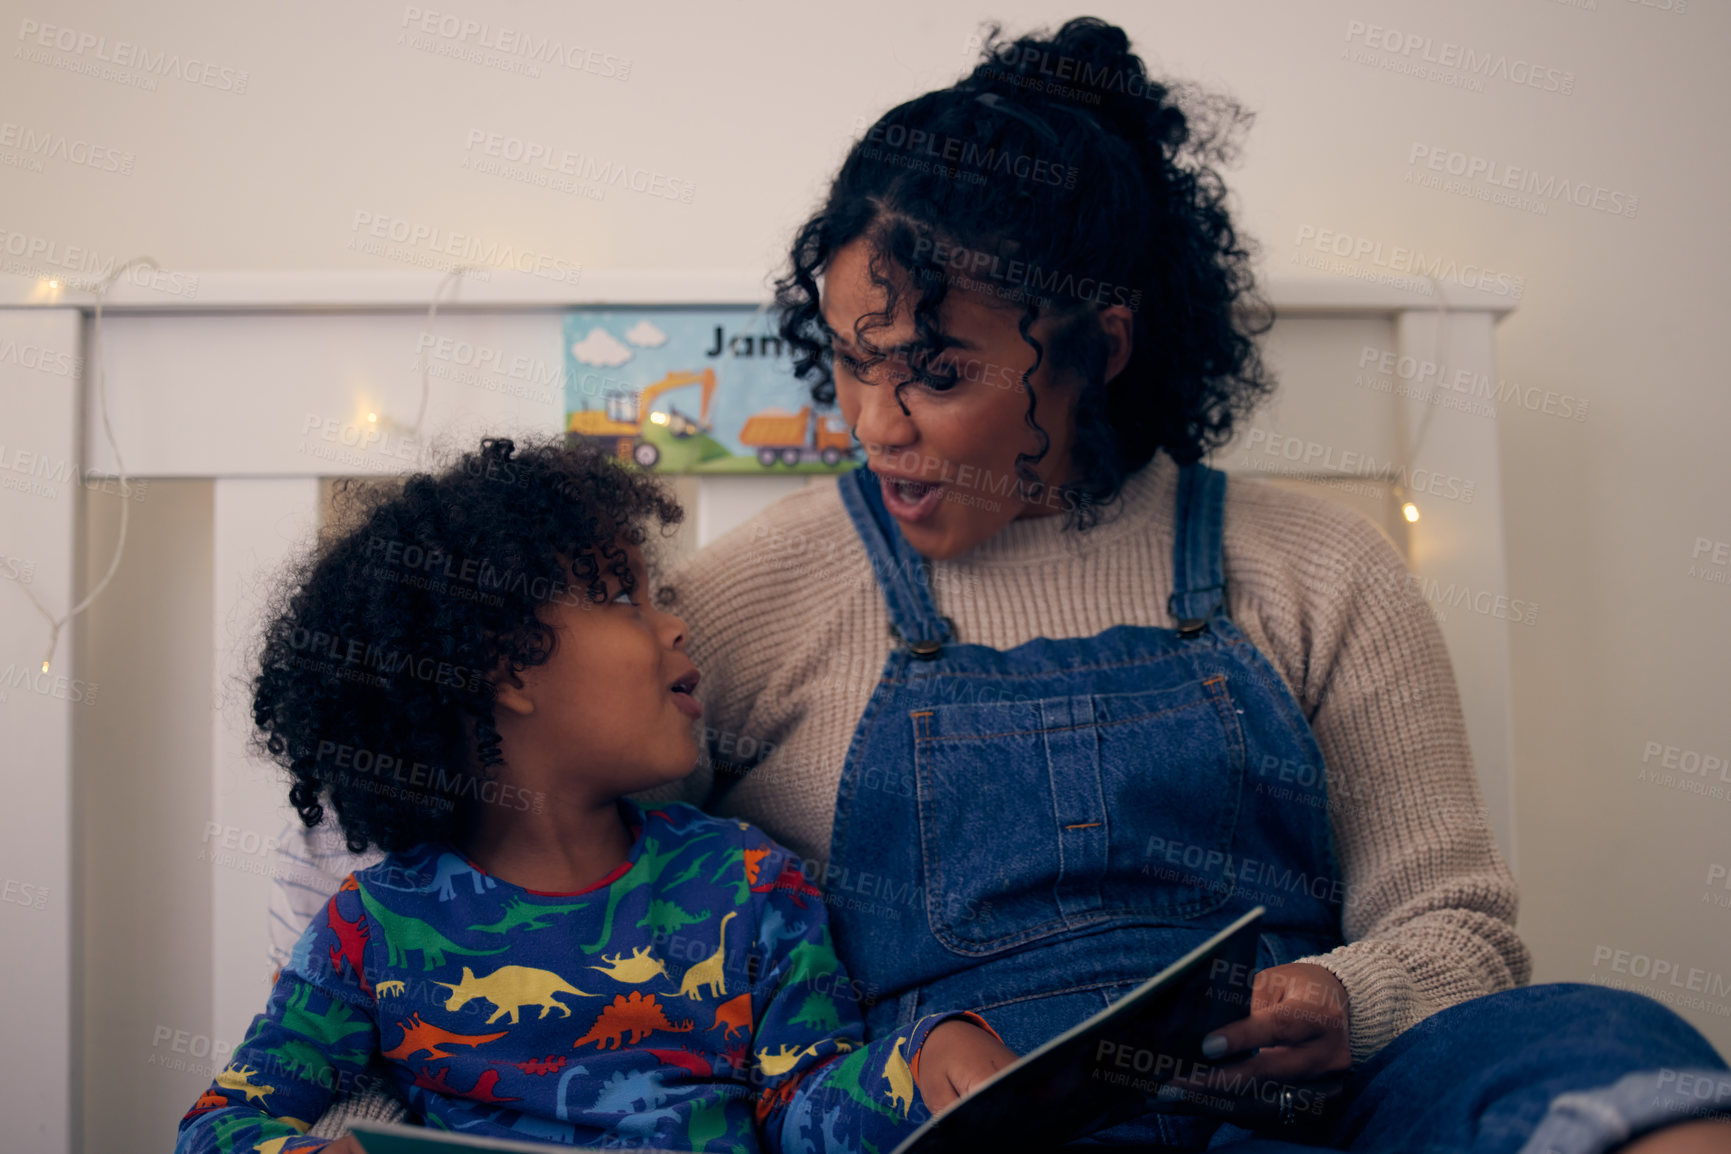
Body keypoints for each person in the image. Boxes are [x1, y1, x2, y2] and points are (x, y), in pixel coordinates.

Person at [286, 17, 1731, 1152]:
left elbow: (1462, 926)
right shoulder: (757, 601)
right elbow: (506, 882)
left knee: (1601, 1036)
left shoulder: (1314, 569)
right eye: (853, 362)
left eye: (939, 372)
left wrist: (1349, 1002)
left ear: (1099, 349)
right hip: (963, 1127)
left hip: (1307, 1114)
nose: (877, 423)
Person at [178, 437, 1013, 1154]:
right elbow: (224, 1121)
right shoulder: (371, 928)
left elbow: (801, 1103)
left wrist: (921, 1066)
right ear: (504, 666)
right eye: (622, 597)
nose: (674, 625)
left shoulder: (749, 884)